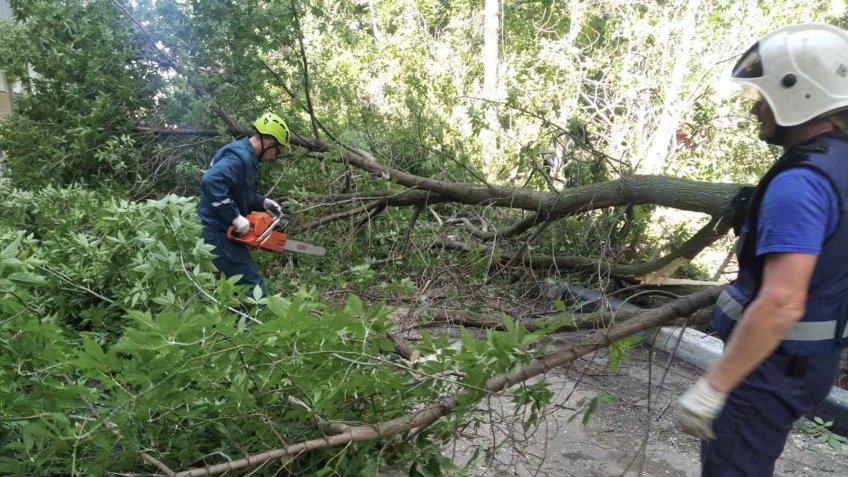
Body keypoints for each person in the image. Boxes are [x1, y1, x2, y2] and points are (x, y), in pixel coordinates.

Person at [676, 23, 848, 476]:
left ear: (801, 95)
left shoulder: (801, 184)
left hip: (767, 370)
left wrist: (715, 386)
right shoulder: (840, 164)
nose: (756, 109)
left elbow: (781, 301)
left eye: (765, 97)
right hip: (807, 363)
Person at [197, 112, 291, 298]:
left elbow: (237, 190)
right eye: (277, 151)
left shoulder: (244, 154)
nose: (274, 157)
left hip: (219, 233)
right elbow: (211, 181)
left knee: (229, 293)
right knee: (254, 290)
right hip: (217, 234)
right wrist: (235, 217)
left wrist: (263, 201)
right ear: (270, 143)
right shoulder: (239, 157)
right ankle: (253, 326)